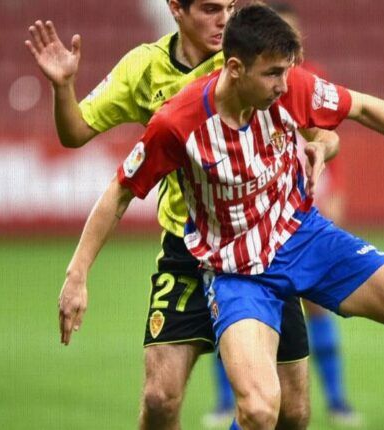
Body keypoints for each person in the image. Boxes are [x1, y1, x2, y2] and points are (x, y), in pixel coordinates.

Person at [57, 4, 384, 430]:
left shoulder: (290, 86)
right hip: (237, 271)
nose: (284, 84)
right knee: (259, 411)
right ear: (234, 70)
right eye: (273, 74)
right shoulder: (177, 123)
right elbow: (120, 189)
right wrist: (77, 275)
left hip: (303, 237)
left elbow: (362, 106)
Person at [25, 1, 329, 428]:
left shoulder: (252, 61)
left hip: (260, 249)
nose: (223, 19)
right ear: (175, 9)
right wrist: (63, 87)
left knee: (292, 414)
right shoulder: (145, 69)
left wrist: (320, 148)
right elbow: (76, 133)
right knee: (159, 399)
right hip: (188, 251)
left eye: (228, 6)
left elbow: (322, 129)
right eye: (209, 8)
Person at [204, 2, 361, 427]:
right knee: (240, 327)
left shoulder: (299, 86)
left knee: (317, 313)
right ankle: (226, 402)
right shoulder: (242, 91)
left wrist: (335, 190)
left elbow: (326, 138)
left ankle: (339, 399)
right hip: (247, 229)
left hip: (298, 215)